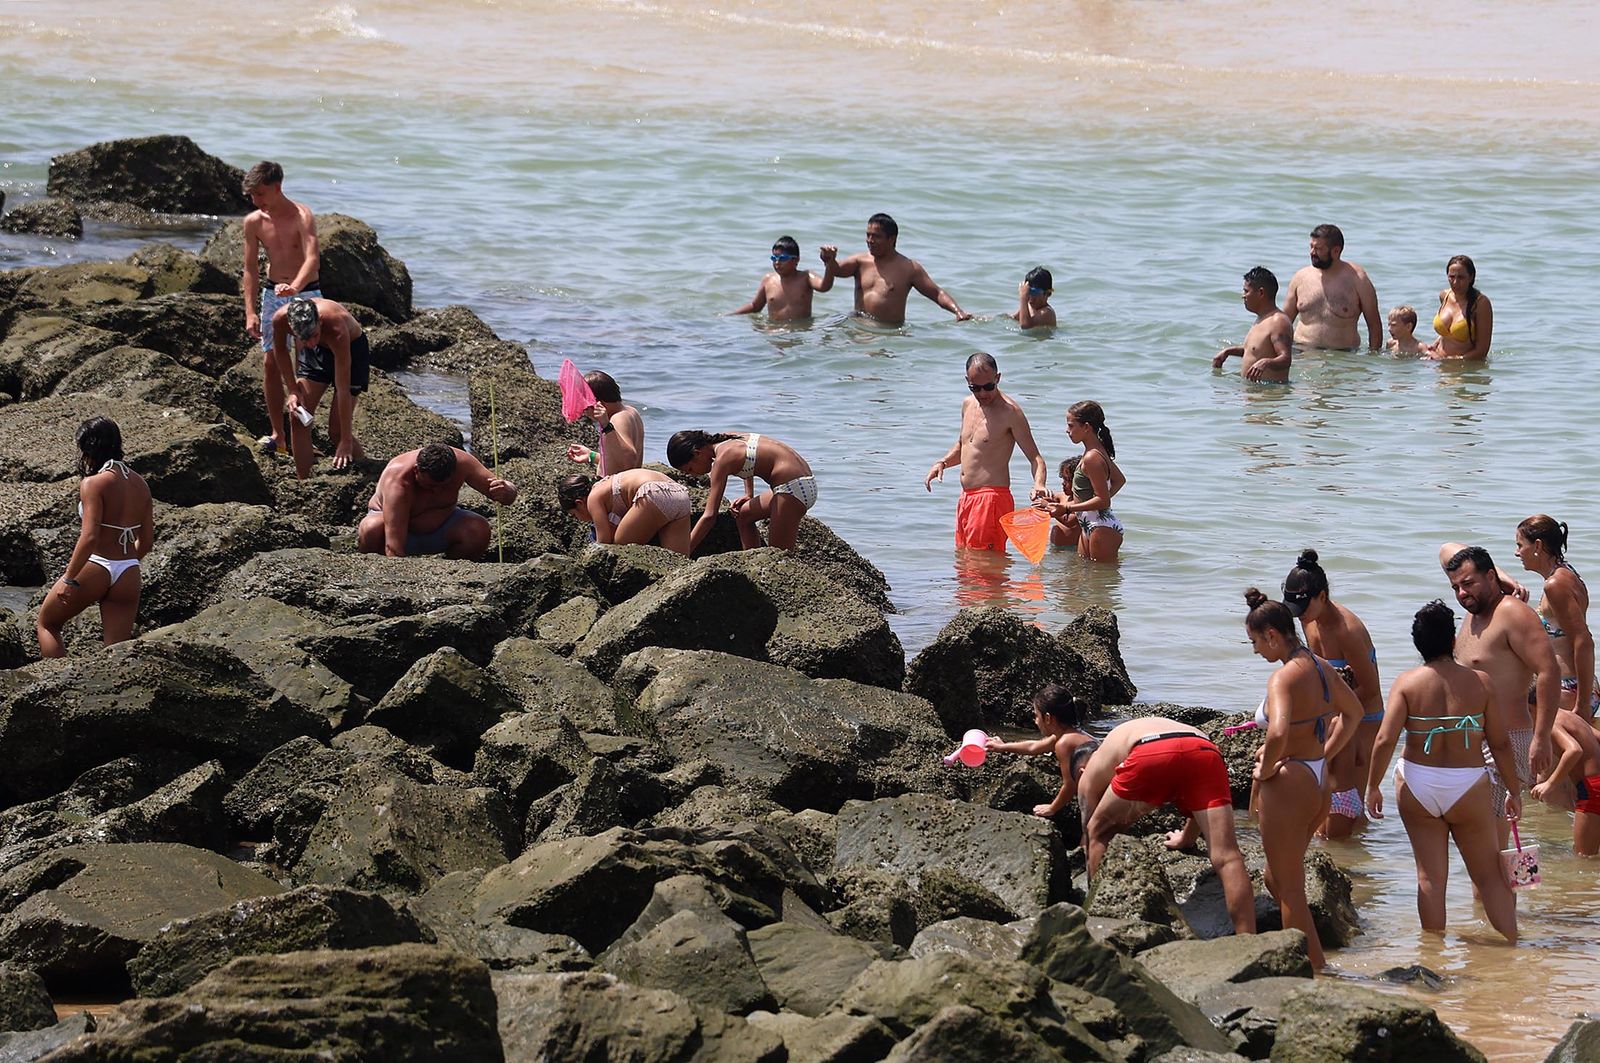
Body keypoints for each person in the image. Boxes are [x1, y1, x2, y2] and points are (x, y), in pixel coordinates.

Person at [1365, 601, 1519, 942]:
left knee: (1430, 878)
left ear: (1418, 644)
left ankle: (1432, 956)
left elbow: (1385, 739)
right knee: (1490, 876)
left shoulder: (1407, 683)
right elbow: (1501, 744)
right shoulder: (1481, 683)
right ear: (1453, 641)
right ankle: (1513, 946)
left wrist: (1372, 786)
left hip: (1418, 783)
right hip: (1468, 784)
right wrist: (1513, 790)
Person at [1241, 587, 1363, 971]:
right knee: (1276, 878)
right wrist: (1324, 753)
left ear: (1273, 636)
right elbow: (1355, 712)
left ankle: (1315, 972)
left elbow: (1276, 733)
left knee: (1290, 888)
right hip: (1318, 782)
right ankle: (1314, 956)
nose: (1256, 651)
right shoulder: (1322, 667)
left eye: (1256, 642)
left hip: (1289, 782)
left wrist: (1266, 767)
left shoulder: (1283, 679)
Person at [1072, 716, 1258, 936]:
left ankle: (1098, 917)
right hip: (1204, 749)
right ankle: (1248, 938)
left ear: (1081, 770)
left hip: (1151, 749)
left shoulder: (1089, 769)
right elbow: (1197, 806)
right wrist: (1186, 839)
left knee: (1098, 831)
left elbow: (1088, 834)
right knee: (1227, 856)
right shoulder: (1128, 732)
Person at [1438, 543, 1560, 843]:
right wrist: (1506, 577)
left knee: (1490, 840)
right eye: (1455, 587)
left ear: (1489, 577)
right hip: (1470, 741)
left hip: (1506, 740)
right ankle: (1486, 890)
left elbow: (1549, 671)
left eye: (1469, 583)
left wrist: (1542, 738)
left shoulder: (1511, 613)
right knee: (1473, 838)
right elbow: (1446, 548)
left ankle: (1497, 890)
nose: (1462, 593)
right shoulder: (1475, 612)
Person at [1282, 549, 1383, 839]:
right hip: (1331, 711)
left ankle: (1360, 862)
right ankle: (1346, 856)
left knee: (1350, 800)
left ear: (1322, 596)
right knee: (1324, 794)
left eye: (1303, 608)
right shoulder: (1305, 617)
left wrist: (1333, 706)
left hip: (1364, 717)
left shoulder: (1347, 630)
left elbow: (1370, 688)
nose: (1299, 616)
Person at [37, 417, 154, 657]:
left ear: (90, 447)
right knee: (115, 654)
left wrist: (70, 579)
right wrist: (126, 564)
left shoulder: (94, 483)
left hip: (98, 564)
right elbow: (148, 541)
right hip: (129, 571)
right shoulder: (140, 484)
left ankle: (57, 690)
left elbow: (89, 536)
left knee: (48, 623)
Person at [923, 353, 1047, 552]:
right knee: (965, 561)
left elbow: (1036, 458)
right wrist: (942, 463)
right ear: (967, 382)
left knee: (984, 566)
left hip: (991, 500)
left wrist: (1039, 484)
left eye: (988, 387)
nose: (982, 393)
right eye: (975, 388)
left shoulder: (1010, 412)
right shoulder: (967, 404)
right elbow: (964, 445)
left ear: (997, 378)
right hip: (966, 498)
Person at [240, 161, 321, 456]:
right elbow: (249, 269)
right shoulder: (254, 222)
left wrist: (296, 287)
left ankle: (303, 434)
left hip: (306, 292)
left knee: (304, 364)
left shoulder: (302, 215)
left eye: (260, 194)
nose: (256, 201)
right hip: (273, 292)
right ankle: (279, 435)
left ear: (277, 188)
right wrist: (250, 311)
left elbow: (313, 259)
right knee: (271, 363)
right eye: (252, 195)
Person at [358, 443, 518, 559]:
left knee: (478, 529)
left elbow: (505, 496)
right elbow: (393, 547)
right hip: (396, 535)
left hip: (440, 532)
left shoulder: (463, 463)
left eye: (443, 486)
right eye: (429, 486)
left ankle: (455, 572)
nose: (435, 491)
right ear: (416, 470)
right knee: (371, 528)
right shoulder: (397, 482)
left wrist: (508, 490)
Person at [668, 430, 816, 552]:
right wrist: (748, 494)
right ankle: (752, 562)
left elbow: (710, 516)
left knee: (778, 557)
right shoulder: (727, 438)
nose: (694, 474)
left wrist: (684, 552)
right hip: (803, 483)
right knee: (743, 515)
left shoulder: (722, 461)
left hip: (792, 489)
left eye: (690, 469)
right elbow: (750, 458)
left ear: (697, 453)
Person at [270, 296, 368, 480]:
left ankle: (367, 471)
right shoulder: (280, 319)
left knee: (336, 431)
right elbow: (281, 351)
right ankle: (304, 482)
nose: (311, 342)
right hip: (317, 356)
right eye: (305, 339)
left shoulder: (335, 326)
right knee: (298, 416)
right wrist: (292, 389)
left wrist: (346, 440)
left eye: (314, 335)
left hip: (351, 350)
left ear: (319, 320)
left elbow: (343, 389)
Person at [821, 213, 971, 326]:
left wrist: (958, 311)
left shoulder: (909, 268)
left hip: (888, 332)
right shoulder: (860, 261)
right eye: (868, 235)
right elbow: (836, 270)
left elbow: (937, 293)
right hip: (858, 326)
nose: (870, 241)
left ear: (892, 239)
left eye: (876, 236)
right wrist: (828, 258)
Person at [1514, 515, 1595, 722]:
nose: (1517, 553)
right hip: (1575, 685)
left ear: (1537, 546)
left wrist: (1582, 705)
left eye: (1520, 545)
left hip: (1567, 689)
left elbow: (1583, 641)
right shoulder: (1565, 572)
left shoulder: (1555, 584)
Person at [984, 685, 1099, 818]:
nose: (1036, 721)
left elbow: (1070, 785)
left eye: (1037, 716)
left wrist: (1052, 808)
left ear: (1048, 718)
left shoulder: (1064, 743)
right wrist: (1003, 746)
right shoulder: (1069, 734)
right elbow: (1033, 747)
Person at [1034, 401, 1124, 562]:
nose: (1067, 430)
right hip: (1091, 525)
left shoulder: (1092, 457)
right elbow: (1119, 480)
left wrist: (1067, 508)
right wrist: (1090, 503)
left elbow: (1103, 501)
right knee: (1086, 579)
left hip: (1101, 527)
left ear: (1086, 427)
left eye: (1071, 425)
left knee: (1099, 583)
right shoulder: (1096, 451)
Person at [1281, 224, 1382, 350]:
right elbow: (1283, 322)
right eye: (1311, 247)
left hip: (1342, 357)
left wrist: (1373, 361)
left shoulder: (1358, 279)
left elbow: (1374, 327)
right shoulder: (1300, 277)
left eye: (1318, 249)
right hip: (1302, 353)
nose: (1312, 252)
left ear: (1336, 251)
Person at [558, 469, 692, 555]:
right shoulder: (605, 484)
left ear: (579, 503)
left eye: (574, 515)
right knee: (677, 562)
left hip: (654, 493)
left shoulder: (593, 497)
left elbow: (603, 543)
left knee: (619, 550)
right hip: (680, 493)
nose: (578, 519)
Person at [1530, 710, 1600, 856]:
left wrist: (1550, 783)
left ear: (1531, 707)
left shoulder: (1551, 722)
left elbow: (1574, 750)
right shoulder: (1571, 717)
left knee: (1584, 858)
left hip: (1592, 788)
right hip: (1595, 783)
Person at [1212, 266, 1294, 381]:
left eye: (1246, 291)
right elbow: (1255, 351)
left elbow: (1286, 359)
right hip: (1254, 392)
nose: (1243, 296)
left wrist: (1266, 362)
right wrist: (1228, 352)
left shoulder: (1278, 321)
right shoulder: (1261, 319)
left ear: (1261, 293)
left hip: (1270, 394)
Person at [730, 236, 834, 322]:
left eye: (783, 258)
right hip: (773, 333)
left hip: (798, 334)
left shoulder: (806, 277)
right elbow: (755, 306)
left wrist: (829, 263)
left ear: (796, 260)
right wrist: (729, 316)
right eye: (774, 258)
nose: (777, 262)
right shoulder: (768, 280)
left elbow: (825, 286)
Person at [565, 370, 644, 474]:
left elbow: (629, 461)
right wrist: (591, 455)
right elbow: (616, 459)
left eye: (585, 406)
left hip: (618, 488)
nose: (585, 411)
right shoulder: (630, 411)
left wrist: (607, 426)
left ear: (597, 403)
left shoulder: (618, 419)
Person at [1425, 255, 1492, 360]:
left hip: (1464, 370)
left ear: (1471, 277)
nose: (1455, 282)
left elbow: (1482, 351)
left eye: (1461, 277)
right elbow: (1448, 335)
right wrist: (1434, 345)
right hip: (1439, 367)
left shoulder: (1481, 304)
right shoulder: (1444, 296)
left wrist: (1449, 360)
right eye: (1452, 277)